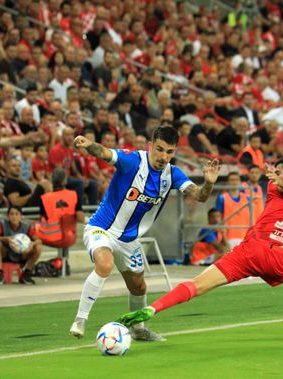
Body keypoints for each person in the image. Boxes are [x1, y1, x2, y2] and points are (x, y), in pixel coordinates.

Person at [117, 158, 283, 343]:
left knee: (198, 285)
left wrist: (281, 181)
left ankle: (154, 308)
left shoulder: (277, 186)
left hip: (249, 250)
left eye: (279, 170)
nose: (273, 174)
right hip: (279, 258)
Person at [70, 126, 221, 341]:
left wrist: (208, 183)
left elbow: (200, 196)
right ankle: (80, 319)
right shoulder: (132, 160)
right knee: (104, 264)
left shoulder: (172, 174)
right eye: (159, 150)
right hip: (102, 228)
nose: (163, 156)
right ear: (151, 145)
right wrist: (88, 145)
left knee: (139, 285)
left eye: (169, 152)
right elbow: (105, 153)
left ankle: (138, 329)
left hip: (130, 239)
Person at [0, 206, 42, 285]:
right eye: (11, 214)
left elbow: (39, 240)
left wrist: (32, 244)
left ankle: (26, 273)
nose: (14, 217)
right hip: (6, 254)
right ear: (8, 216)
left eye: (17, 214)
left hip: (22, 254)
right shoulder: (2, 224)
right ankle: (0, 274)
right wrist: (6, 238)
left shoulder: (26, 227)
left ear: (21, 216)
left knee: (38, 247)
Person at [215, 172, 250, 248]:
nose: (234, 182)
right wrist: (224, 237)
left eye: (236, 180)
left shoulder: (247, 198)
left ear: (240, 182)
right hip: (229, 237)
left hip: (245, 237)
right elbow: (218, 219)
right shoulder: (222, 198)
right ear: (228, 182)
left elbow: (250, 219)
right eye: (232, 180)